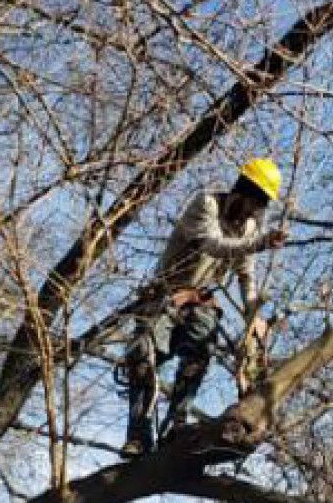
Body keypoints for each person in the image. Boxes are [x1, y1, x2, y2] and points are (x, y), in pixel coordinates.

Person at [121, 157, 287, 456]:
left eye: (259, 206)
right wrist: (259, 243)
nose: (252, 210)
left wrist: (255, 316)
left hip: (200, 302)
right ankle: (138, 435)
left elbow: (245, 275)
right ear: (242, 189)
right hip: (164, 296)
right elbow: (212, 244)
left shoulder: (248, 229)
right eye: (252, 201)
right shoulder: (206, 204)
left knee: (199, 354)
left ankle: (176, 426)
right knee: (142, 356)